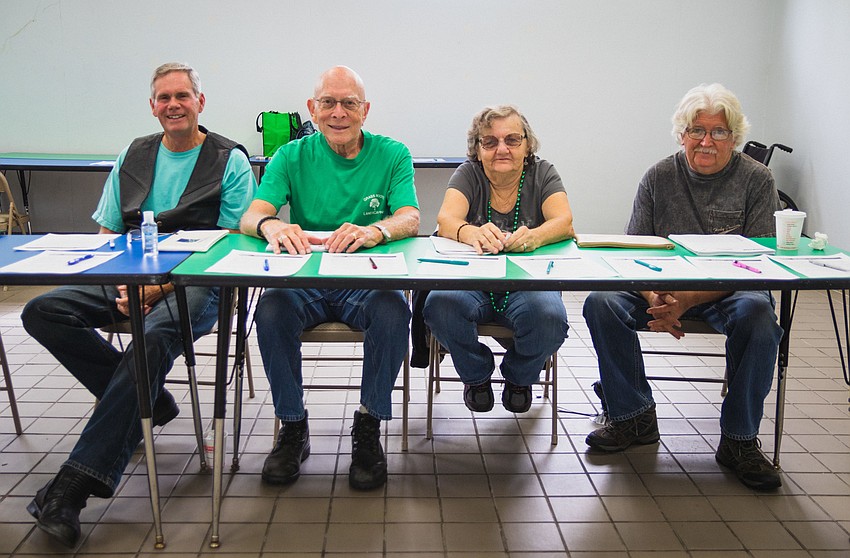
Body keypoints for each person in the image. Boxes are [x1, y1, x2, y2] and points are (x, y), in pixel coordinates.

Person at [20, 62, 257, 547]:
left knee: (151, 340)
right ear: (153, 106)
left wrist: (158, 288)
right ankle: (150, 398)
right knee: (41, 310)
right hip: (127, 275)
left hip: (197, 282)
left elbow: (233, 245)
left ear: (200, 102)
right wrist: (119, 280)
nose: (173, 105)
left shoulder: (229, 158)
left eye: (183, 96)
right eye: (164, 98)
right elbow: (108, 232)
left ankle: (73, 486)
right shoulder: (133, 153)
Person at [582, 83, 783, 491]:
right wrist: (654, 295)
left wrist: (687, 299)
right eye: (697, 131)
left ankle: (740, 439)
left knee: (760, 316)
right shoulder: (658, 175)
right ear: (682, 134)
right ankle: (632, 414)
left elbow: (757, 266)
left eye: (719, 132)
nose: (706, 141)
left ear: (735, 137)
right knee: (601, 302)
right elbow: (630, 250)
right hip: (663, 288)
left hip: (730, 289)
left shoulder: (758, 179)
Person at [240, 66, 419, 491]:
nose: (338, 113)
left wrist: (375, 231)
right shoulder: (291, 155)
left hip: (367, 277)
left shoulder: (393, 153)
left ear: (365, 110)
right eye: (328, 103)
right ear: (312, 109)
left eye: (349, 103)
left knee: (394, 311)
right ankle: (294, 425)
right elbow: (252, 214)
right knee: (270, 310)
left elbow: (410, 217)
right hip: (307, 275)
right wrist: (272, 227)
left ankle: (369, 424)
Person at [423, 105, 572, 413]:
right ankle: (476, 375)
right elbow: (446, 219)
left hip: (527, 284)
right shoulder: (468, 172)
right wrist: (468, 232)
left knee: (550, 319)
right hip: (471, 280)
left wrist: (535, 236)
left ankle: (519, 377)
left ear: (527, 145)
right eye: (489, 142)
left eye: (512, 140)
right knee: (439, 306)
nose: (501, 149)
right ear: (477, 150)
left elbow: (564, 222)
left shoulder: (543, 172)